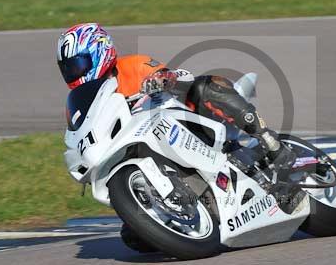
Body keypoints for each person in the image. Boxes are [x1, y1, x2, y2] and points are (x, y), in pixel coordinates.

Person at [56, 22, 297, 167]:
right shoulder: (84, 101)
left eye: (77, 65)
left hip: (189, 126)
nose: (74, 73)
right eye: (68, 68)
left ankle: (267, 138)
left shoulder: (133, 65)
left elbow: (174, 75)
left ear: (100, 50)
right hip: (148, 150)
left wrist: (162, 79)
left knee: (205, 86)